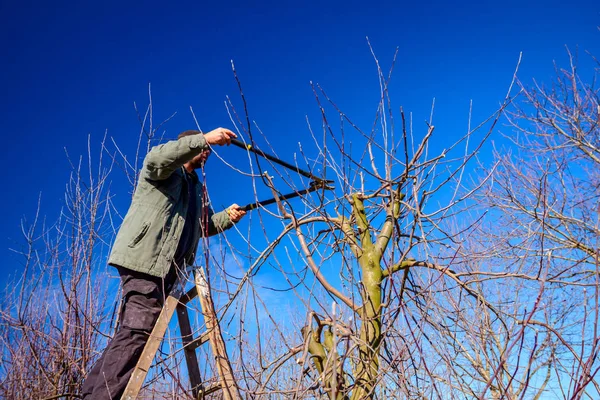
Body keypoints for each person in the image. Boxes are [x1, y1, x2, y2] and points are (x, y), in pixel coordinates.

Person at [81, 128, 246, 399]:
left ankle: (93, 392)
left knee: (136, 332)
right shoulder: (165, 170)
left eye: (209, 151)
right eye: (205, 149)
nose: (208, 154)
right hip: (146, 262)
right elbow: (156, 159)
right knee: (138, 330)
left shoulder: (195, 187)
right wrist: (204, 138)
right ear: (187, 145)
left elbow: (201, 225)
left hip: (169, 272)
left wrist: (227, 216)